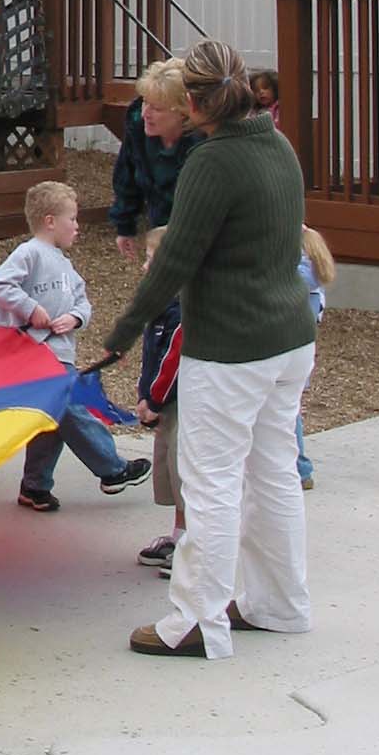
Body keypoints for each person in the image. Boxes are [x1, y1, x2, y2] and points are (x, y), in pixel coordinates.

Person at [102, 39, 316, 660]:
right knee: (272, 470)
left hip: (233, 348)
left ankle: (197, 622)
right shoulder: (277, 146)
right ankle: (280, 606)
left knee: (211, 482)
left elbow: (172, 263)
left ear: (195, 102)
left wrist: (120, 337)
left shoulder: (213, 162)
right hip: (289, 339)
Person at [0, 182, 151, 511]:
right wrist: (30, 309)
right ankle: (113, 468)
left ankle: (34, 486)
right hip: (31, 354)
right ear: (50, 221)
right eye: (73, 219)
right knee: (69, 407)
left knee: (54, 420)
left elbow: (83, 302)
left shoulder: (65, 265)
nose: (78, 226)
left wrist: (76, 319)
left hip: (59, 353)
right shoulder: (29, 253)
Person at [109, 57, 203, 262]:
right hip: (160, 224)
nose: (145, 114)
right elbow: (127, 176)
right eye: (145, 103)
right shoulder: (138, 128)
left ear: (183, 112)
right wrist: (124, 225)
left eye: (157, 108)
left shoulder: (203, 144)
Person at [134, 227, 185, 577]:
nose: (143, 267)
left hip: (182, 404)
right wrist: (144, 394)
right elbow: (152, 356)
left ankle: (192, 548)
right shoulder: (160, 304)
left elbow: (173, 359)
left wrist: (153, 398)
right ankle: (180, 535)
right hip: (164, 403)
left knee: (185, 473)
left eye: (149, 260)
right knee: (169, 469)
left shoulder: (180, 309)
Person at [295, 225, 336, 489]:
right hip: (302, 354)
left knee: (287, 415)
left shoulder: (301, 277)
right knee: (291, 412)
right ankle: (300, 469)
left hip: (290, 351)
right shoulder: (316, 282)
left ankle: (300, 468)